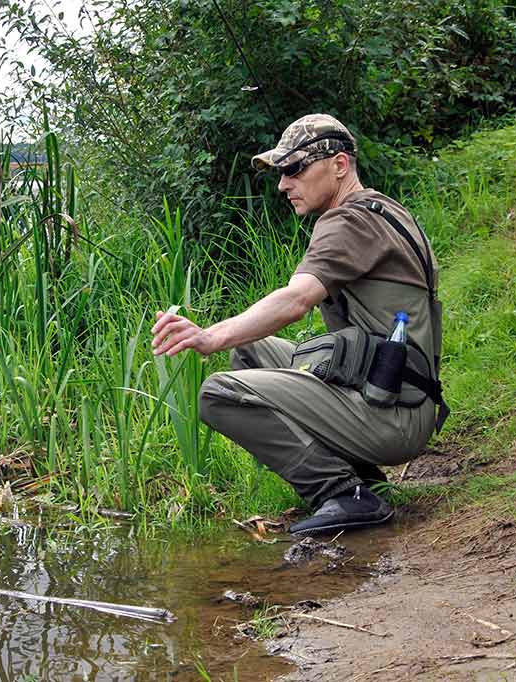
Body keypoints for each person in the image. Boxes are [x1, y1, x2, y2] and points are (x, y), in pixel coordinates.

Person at [150, 114, 447, 535]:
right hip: (396, 391)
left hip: (394, 414)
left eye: (294, 169)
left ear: (339, 165)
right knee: (251, 351)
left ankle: (343, 493)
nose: (283, 184)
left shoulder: (349, 221)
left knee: (218, 394)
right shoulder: (383, 210)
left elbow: (296, 300)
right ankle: (362, 478)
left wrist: (209, 336)